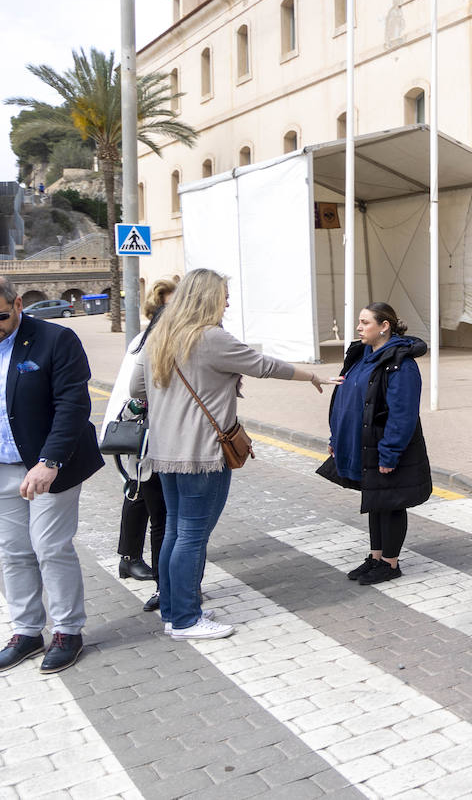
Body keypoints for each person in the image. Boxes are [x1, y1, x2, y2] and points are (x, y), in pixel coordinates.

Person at [132, 269, 328, 640]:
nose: (227, 302)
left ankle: (174, 612)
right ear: (206, 298)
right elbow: (263, 365)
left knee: (175, 531)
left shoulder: (159, 335)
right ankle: (187, 619)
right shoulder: (210, 338)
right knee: (192, 535)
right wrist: (310, 376)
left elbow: (136, 385)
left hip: (164, 452)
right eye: (223, 295)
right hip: (203, 452)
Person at [0, 277, 103, 675]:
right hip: (3, 467)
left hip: (49, 465)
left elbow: (72, 405)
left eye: (1, 315)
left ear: (19, 303)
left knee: (49, 546)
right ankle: (27, 633)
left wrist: (50, 461)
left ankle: (67, 631)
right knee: (13, 552)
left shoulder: (56, 340)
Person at [319, 302, 432, 583]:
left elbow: (403, 414)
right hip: (362, 444)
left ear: (384, 327)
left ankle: (390, 564)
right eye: (359, 322)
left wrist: (390, 453)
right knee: (375, 499)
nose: (359, 327)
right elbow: (344, 398)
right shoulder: (360, 356)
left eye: (365, 322)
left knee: (391, 502)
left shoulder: (400, 364)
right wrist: (337, 437)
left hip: (384, 446)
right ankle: (376, 556)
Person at [104, 277, 177, 612]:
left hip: (145, 441)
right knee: (148, 504)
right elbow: (133, 391)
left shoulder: (145, 340)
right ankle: (134, 560)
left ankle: (146, 569)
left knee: (148, 504)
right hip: (146, 439)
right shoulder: (147, 343)